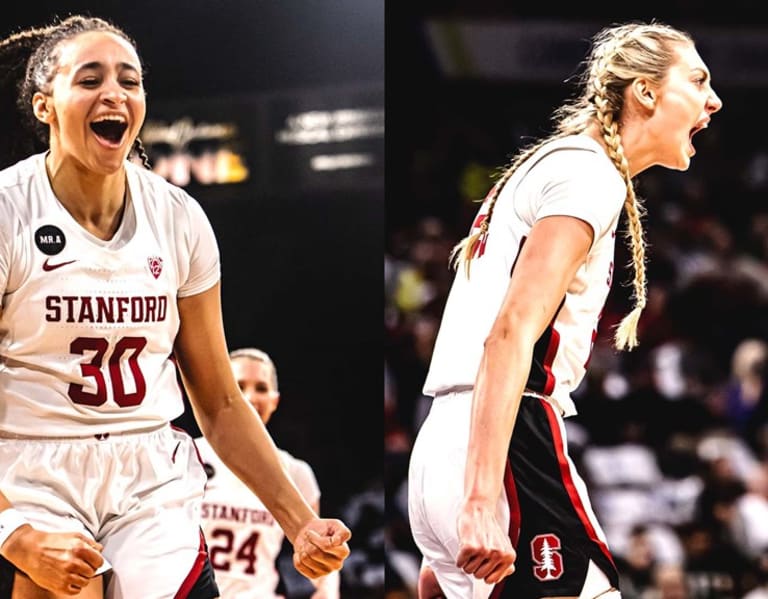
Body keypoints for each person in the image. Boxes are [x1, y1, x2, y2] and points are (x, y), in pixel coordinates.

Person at [0, 14, 350, 599]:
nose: (114, 92)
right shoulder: (10, 210)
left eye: (129, 80)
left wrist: (300, 523)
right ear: (45, 106)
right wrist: (12, 529)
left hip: (148, 472)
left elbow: (216, 397)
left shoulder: (179, 217)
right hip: (28, 470)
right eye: (89, 80)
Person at [407, 20, 722, 599]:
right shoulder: (588, 173)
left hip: (446, 445)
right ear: (646, 92)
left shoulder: (553, 164)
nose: (714, 99)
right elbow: (511, 332)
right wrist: (479, 500)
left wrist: (454, 506)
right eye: (698, 79)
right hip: (504, 442)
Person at [195, 348, 340, 598]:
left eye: (261, 388)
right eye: (239, 386)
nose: (250, 397)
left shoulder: (296, 471)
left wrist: (326, 591)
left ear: (275, 400)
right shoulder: (188, 455)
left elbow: (319, 555)